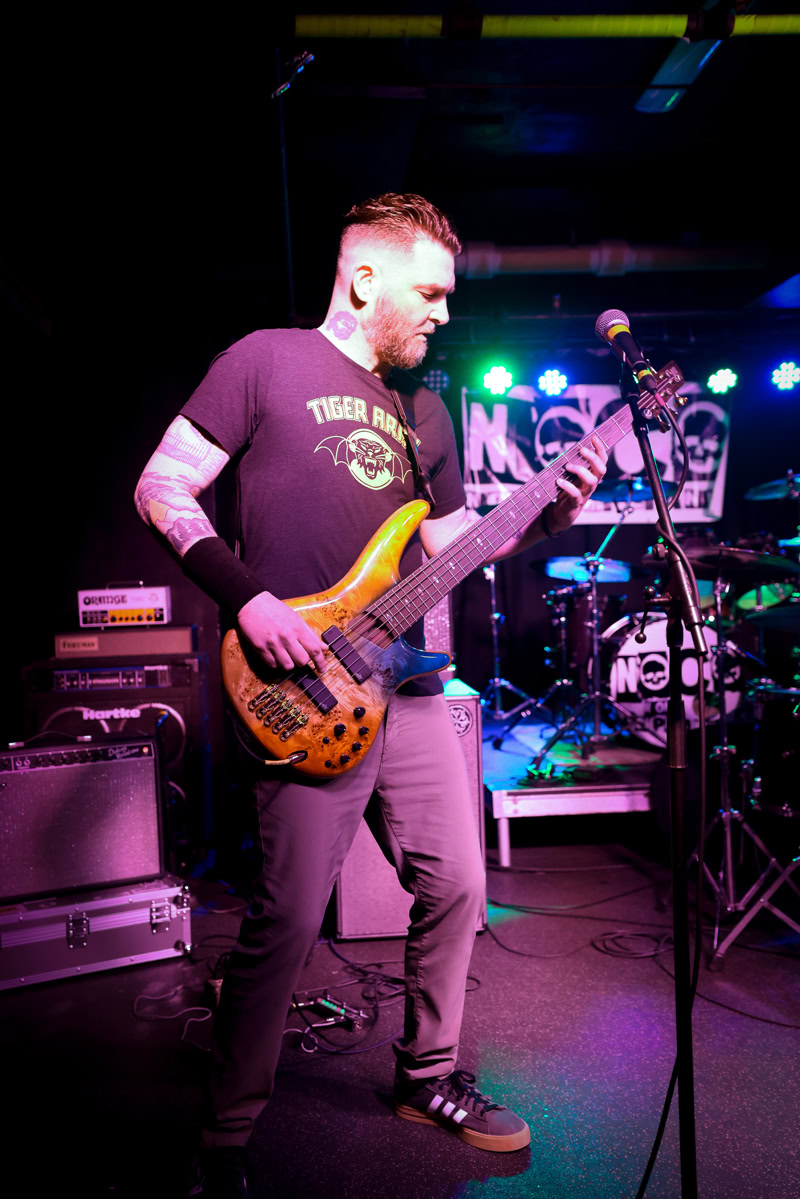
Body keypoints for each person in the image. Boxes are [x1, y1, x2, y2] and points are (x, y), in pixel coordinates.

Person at [134, 193, 607, 1197]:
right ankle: (225, 1131)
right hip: (303, 685)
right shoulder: (262, 362)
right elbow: (161, 488)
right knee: (289, 916)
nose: (442, 312)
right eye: (428, 292)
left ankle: (426, 1076)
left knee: (459, 885)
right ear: (363, 279)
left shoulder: (423, 410)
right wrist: (247, 598)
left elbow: (446, 547)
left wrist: (544, 515)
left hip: (411, 686)